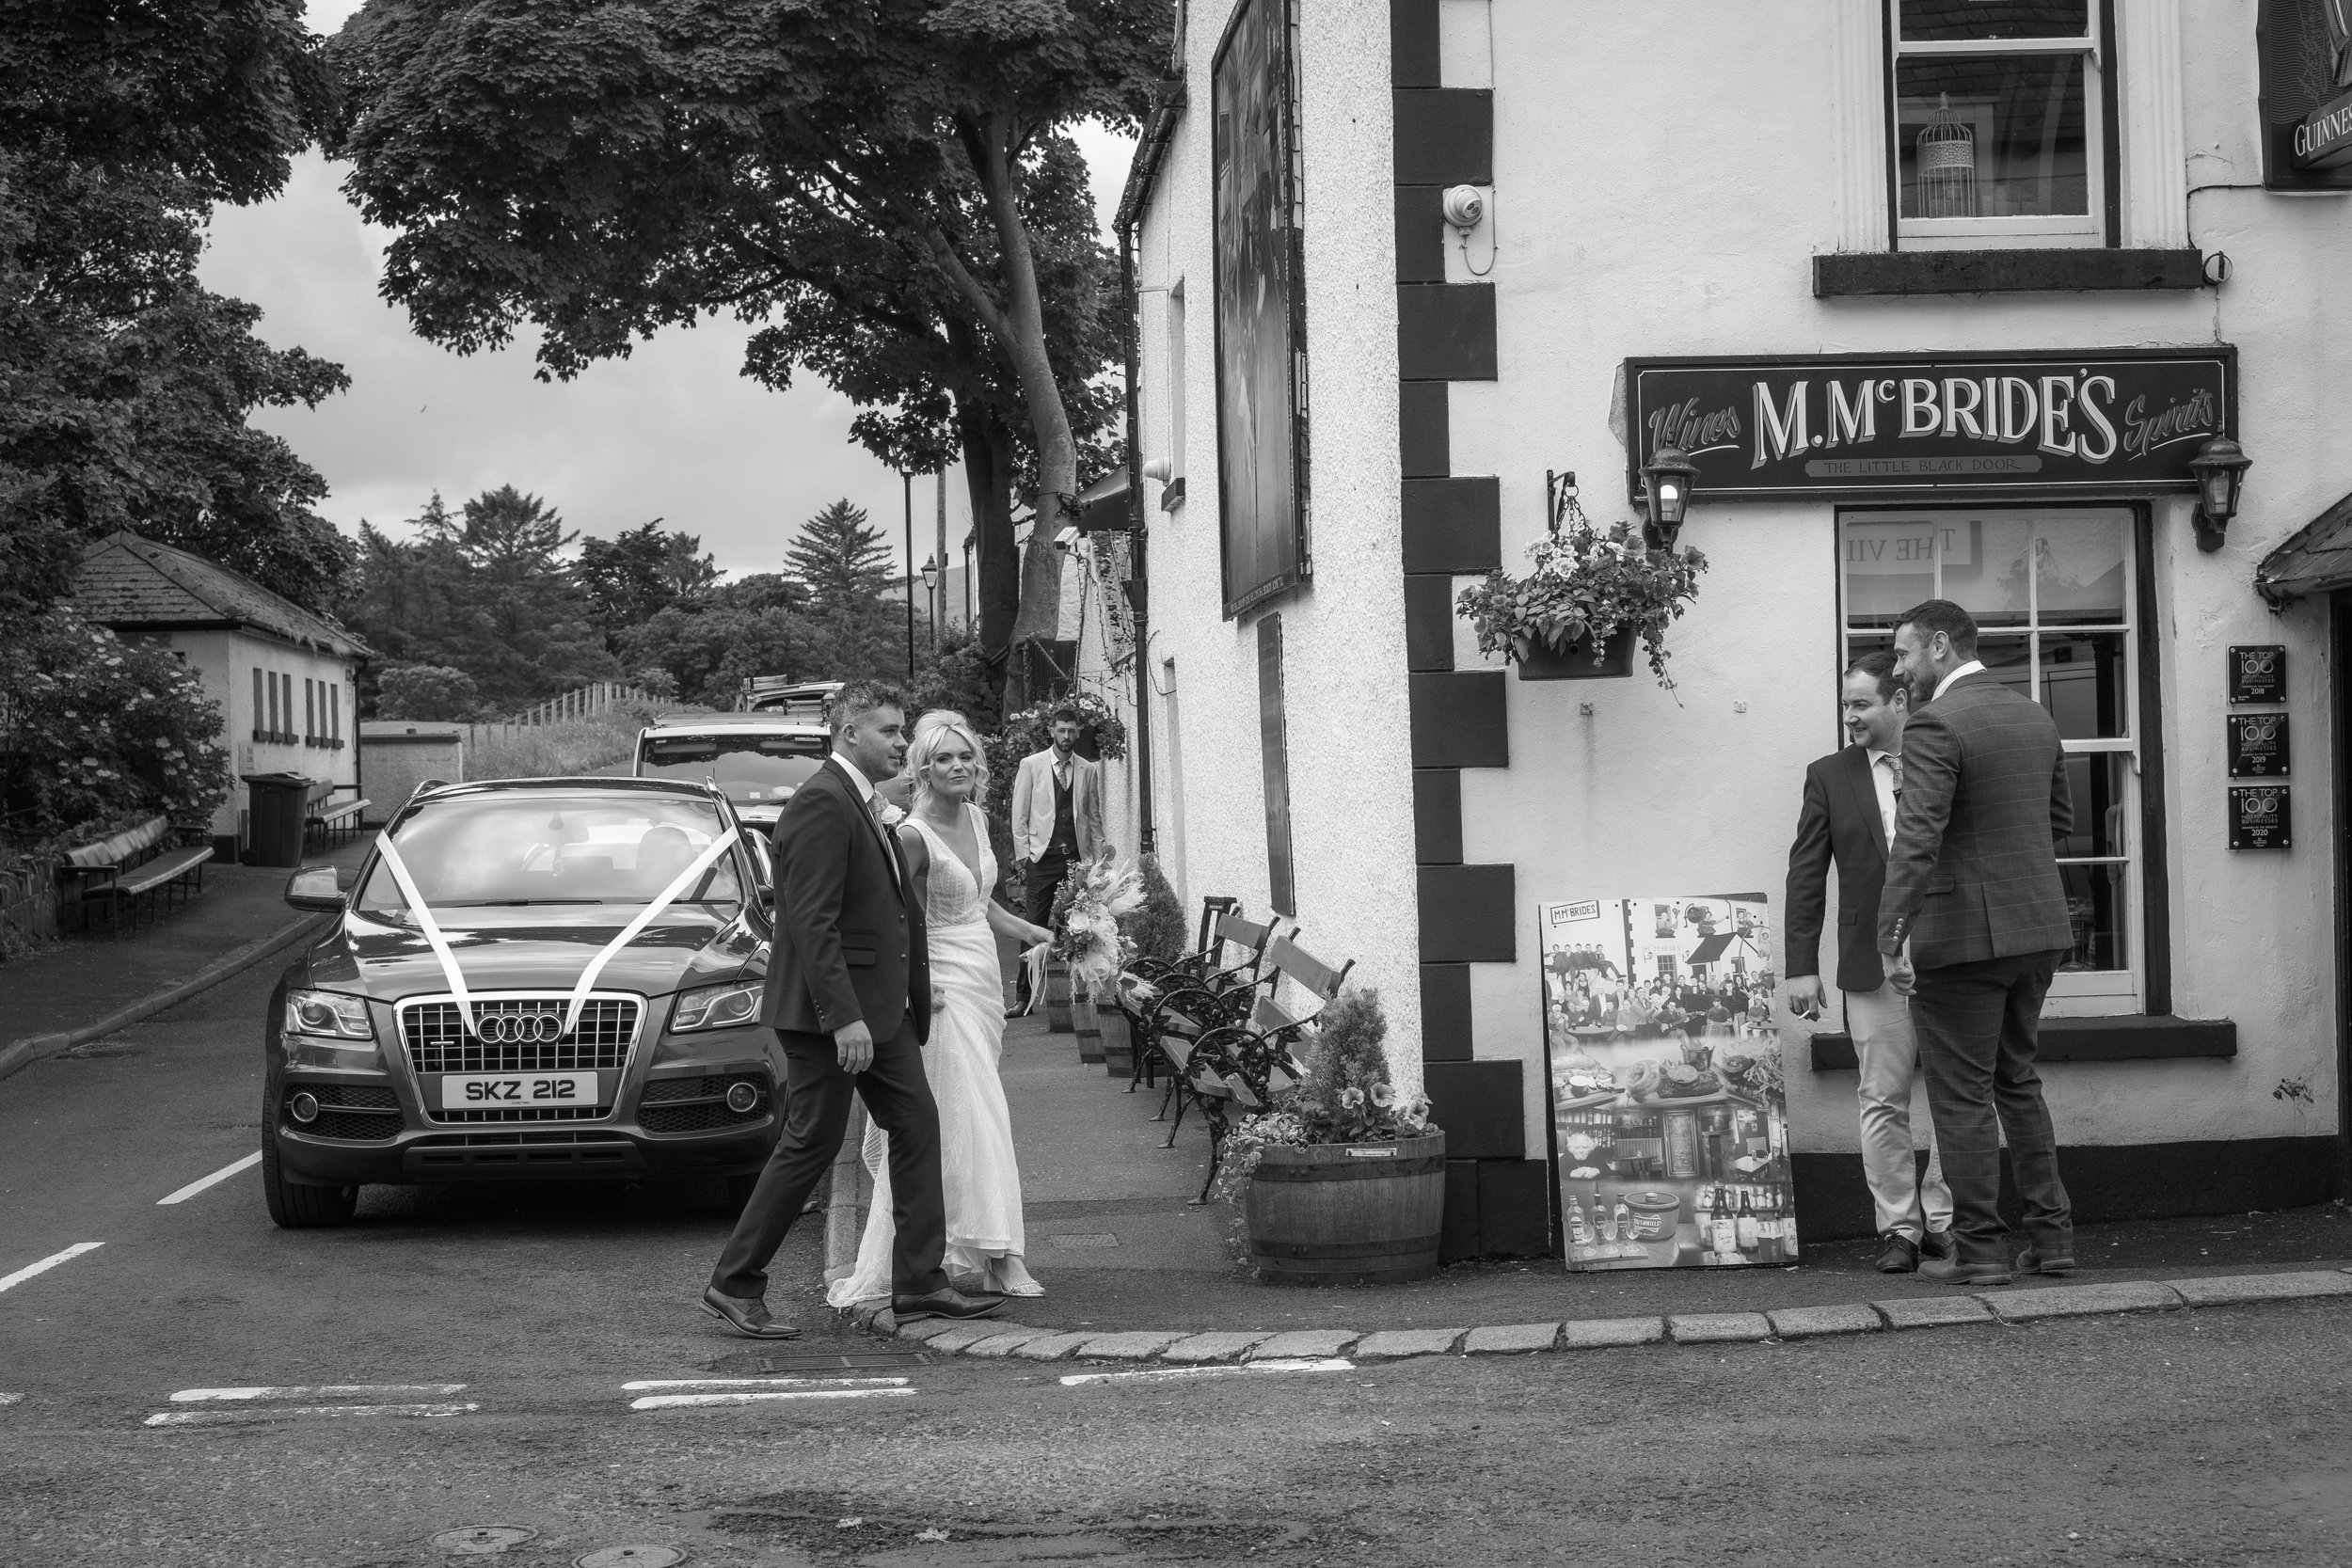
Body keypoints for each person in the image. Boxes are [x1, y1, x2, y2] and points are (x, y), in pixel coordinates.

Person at [700, 682, 1004, 1338]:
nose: (902, 741)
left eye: (901, 730)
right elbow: (811, 924)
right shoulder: (820, 804)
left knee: (917, 1121)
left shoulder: (861, 801)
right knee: (810, 1141)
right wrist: (844, 1018)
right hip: (829, 1017)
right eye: (890, 731)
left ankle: (921, 1281)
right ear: (849, 735)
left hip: (878, 1010)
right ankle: (734, 1282)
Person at [1880, 600, 2076, 1288]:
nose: (1899, 668)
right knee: (2017, 1081)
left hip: (1962, 941)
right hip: (2037, 930)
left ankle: (1983, 1251)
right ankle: (2053, 1241)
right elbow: (2060, 824)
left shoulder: (1937, 721)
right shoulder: (2036, 713)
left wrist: (1891, 932)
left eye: (1904, 653)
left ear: (1939, 645)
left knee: (1960, 1097)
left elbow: (1918, 837)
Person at [830, 711, 1057, 1306]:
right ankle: (1002, 1256)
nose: (958, 767)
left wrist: (1035, 931)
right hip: (940, 987)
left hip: (984, 982)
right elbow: (891, 917)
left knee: (959, 1119)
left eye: (966, 757)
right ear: (922, 768)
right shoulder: (911, 835)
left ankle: (945, 1249)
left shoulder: (979, 818)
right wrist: (909, 985)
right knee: (981, 1114)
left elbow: (983, 903)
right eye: (944, 758)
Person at [1784, 650, 1955, 1275]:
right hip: (1870, 965)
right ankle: (1899, 1229)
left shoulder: (1945, 758)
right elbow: (1806, 873)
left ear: (1900, 701)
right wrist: (1800, 963)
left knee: (1956, 1097)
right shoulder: (1830, 775)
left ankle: (1943, 1220)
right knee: (1881, 1098)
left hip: (1950, 953)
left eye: (1860, 704)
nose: (1849, 716)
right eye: (1845, 705)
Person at [1008, 705, 1105, 1011]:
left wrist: (1098, 862)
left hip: (1076, 861)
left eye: (1071, 731)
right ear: (1052, 731)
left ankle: (1073, 995)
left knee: (1077, 926)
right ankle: (1023, 998)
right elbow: (1019, 815)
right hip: (1041, 858)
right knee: (1033, 924)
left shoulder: (1088, 769)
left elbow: (1093, 817)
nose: (1066, 736)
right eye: (1061, 730)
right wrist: (1024, 857)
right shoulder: (1032, 765)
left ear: (1077, 732)